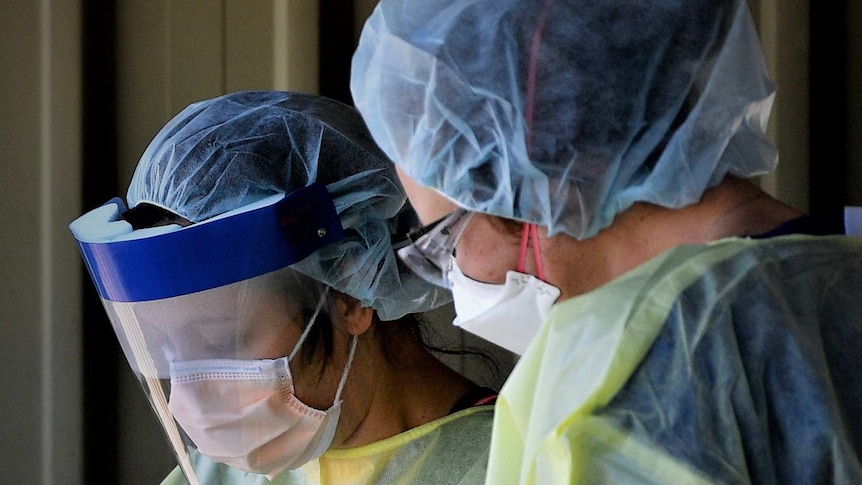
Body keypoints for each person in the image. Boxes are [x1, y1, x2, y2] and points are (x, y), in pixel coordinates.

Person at [350, 0, 862, 483]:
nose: (457, 275)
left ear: (533, 187)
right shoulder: (838, 272)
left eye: (445, 242)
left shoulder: (609, 384)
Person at [69, 91, 498, 485]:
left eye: (219, 338)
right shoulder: (213, 477)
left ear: (348, 288)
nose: (191, 394)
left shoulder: (513, 465)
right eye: (165, 347)